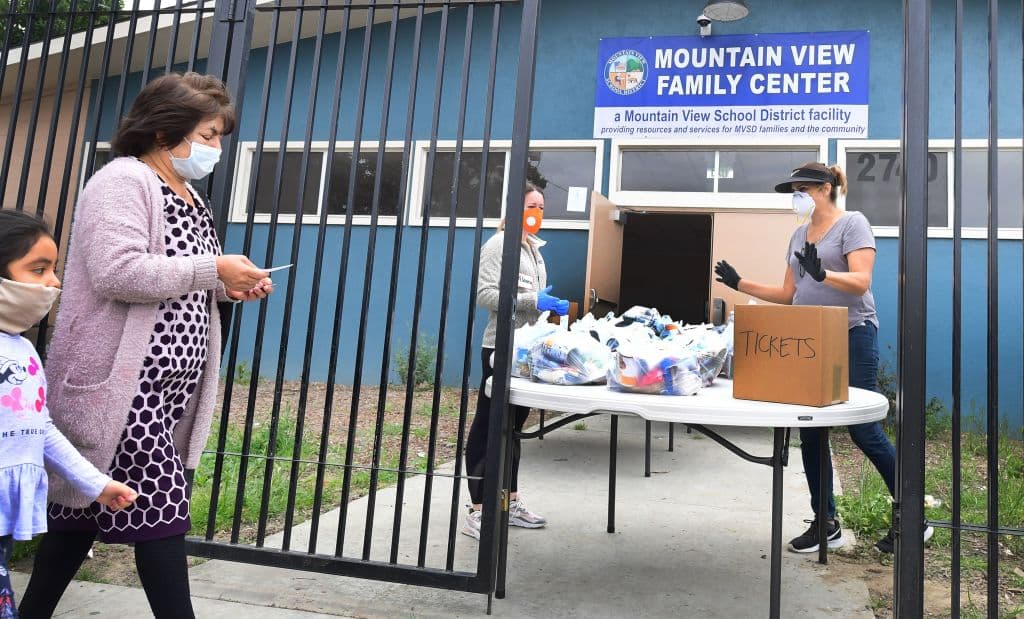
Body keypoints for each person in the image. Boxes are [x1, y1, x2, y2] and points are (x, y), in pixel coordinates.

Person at [19, 73, 272, 619]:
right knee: (162, 513)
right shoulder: (123, 181)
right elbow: (118, 271)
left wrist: (229, 286)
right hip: (124, 387)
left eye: (218, 136)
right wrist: (213, 268)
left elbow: (183, 277)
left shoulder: (191, 196)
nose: (215, 148)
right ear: (163, 132)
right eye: (207, 135)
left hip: (167, 390)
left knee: (80, 516)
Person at [714, 161, 932, 555]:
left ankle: (913, 516)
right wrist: (740, 283)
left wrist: (823, 275)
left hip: (852, 333)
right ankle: (825, 523)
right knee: (811, 429)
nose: (796, 197)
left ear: (825, 189)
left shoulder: (853, 224)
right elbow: (789, 294)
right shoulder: (798, 235)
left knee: (863, 429)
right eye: (793, 191)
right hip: (812, 339)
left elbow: (861, 282)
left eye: (802, 189)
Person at [0, 210, 139, 617]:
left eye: (53, 269)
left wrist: (96, 484)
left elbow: (39, 428)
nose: (54, 281)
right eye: (38, 269)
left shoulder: (23, 350)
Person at [461, 182, 569, 540]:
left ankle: (509, 502)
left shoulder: (534, 249)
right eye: (531, 206)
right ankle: (479, 509)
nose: (537, 212)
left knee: (513, 427)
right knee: (489, 425)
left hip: (527, 350)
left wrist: (545, 307)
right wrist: (532, 301)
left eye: (541, 207)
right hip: (501, 347)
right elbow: (485, 295)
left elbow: (529, 296)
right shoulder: (499, 245)